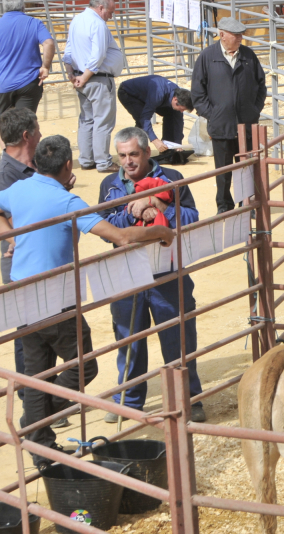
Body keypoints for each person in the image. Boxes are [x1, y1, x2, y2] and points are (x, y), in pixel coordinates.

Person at [0, 135, 174, 467]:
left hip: (22, 292)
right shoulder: (66, 201)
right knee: (84, 365)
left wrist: (13, 237)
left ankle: (40, 446)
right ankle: (35, 421)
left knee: (36, 372)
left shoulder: (21, 188)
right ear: (68, 165)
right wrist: (160, 232)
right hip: (55, 297)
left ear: (37, 164)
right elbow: (121, 236)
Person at [99, 127, 205, 423]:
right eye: (122, 156)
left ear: (147, 152)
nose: (128, 161)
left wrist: (159, 206)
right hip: (126, 273)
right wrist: (134, 214)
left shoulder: (173, 179)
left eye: (134, 154)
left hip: (167, 272)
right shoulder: (109, 184)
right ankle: (129, 401)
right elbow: (105, 229)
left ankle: (188, 399)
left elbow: (191, 218)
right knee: (128, 339)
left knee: (178, 337)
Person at [0, 108, 57, 413]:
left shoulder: (36, 165)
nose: (41, 134)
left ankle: (46, 395)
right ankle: (32, 403)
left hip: (43, 257)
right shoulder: (5, 175)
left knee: (49, 326)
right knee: (28, 334)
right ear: (27, 135)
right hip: (22, 262)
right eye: (37, 130)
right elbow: (19, 220)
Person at [192, 17, 267, 213]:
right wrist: (213, 115)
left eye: (241, 34)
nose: (240, 38)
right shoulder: (207, 57)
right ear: (222, 35)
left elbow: (261, 85)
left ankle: (246, 205)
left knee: (246, 169)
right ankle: (224, 207)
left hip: (246, 125)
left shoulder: (249, 56)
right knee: (223, 172)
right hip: (221, 127)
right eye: (236, 35)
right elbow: (198, 93)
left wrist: (254, 110)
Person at [62, 0, 124, 173]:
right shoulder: (97, 24)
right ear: (101, 7)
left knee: (86, 120)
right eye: (110, 12)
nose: (110, 16)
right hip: (97, 79)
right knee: (103, 121)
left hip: (81, 77)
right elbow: (98, 55)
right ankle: (103, 162)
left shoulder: (76, 20)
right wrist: (86, 76)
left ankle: (87, 159)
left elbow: (68, 50)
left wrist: (71, 73)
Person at [0, 0, 56, 119]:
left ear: (3, 7)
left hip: (2, 83)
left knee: (2, 121)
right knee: (26, 121)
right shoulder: (34, 23)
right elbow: (49, 43)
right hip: (29, 81)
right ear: (23, 7)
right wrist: (45, 67)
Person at [117, 74, 194, 155]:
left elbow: (178, 121)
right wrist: (155, 140)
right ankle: (135, 152)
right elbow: (145, 119)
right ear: (175, 100)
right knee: (141, 121)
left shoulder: (177, 95)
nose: (181, 111)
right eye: (182, 109)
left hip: (148, 94)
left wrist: (177, 144)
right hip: (128, 93)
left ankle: (168, 150)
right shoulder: (158, 95)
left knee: (172, 113)